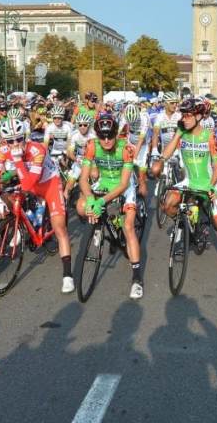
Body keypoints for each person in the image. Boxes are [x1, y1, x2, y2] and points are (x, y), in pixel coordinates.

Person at [152, 99, 217, 291]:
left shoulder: (209, 136)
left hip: (208, 183)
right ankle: (185, 222)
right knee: (167, 204)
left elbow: (216, 165)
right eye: (183, 115)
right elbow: (169, 149)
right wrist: (160, 159)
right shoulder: (181, 131)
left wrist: (212, 186)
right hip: (189, 181)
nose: (184, 118)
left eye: (188, 115)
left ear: (199, 116)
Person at [0, 117, 75, 294]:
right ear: (4, 141)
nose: (15, 143)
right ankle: (21, 225)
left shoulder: (37, 149)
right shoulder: (3, 149)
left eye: (19, 139)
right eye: (10, 140)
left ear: (25, 137)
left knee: (59, 228)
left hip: (50, 183)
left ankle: (67, 275)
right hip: (29, 181)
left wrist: (18, 160)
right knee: (8, 196)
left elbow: (28, 185)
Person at [78, 114, 142, 297]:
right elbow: (83, 178)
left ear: (116, 133)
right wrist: (90, 198)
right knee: (81, 207)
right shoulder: (91, 145)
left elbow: (123, 185)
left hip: (124, 185)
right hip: (104, 182)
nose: (106, 141)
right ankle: (108, 223)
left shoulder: (126, 149)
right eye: (102, 136)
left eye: (110, 136)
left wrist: (101, 201)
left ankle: (137, 278)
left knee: (128, 226)